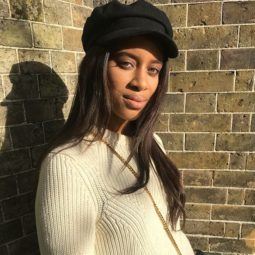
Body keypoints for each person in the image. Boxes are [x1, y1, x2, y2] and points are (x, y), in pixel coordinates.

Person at [35, 0, 197, 254]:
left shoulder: (152, 144)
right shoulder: (67, 164)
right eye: (126, 63)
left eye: (153, 69)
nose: (141, 82)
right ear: (96, 67)